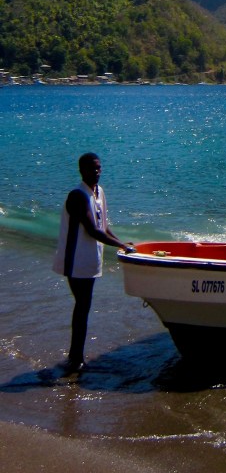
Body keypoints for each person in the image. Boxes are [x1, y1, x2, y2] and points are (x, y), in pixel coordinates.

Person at [52, 153, 133, 373]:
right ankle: (76, 358)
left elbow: (103, 226)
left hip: (91, 261)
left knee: (83, 307)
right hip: (76, 262)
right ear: (82, 170)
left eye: (99, 168)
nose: (96, 172)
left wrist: (120, 242)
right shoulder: (78, 196)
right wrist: (123, 247)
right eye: (92, 168)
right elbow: (92, 230)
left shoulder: (99, 193)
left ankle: (76, 356)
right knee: (82, 307)